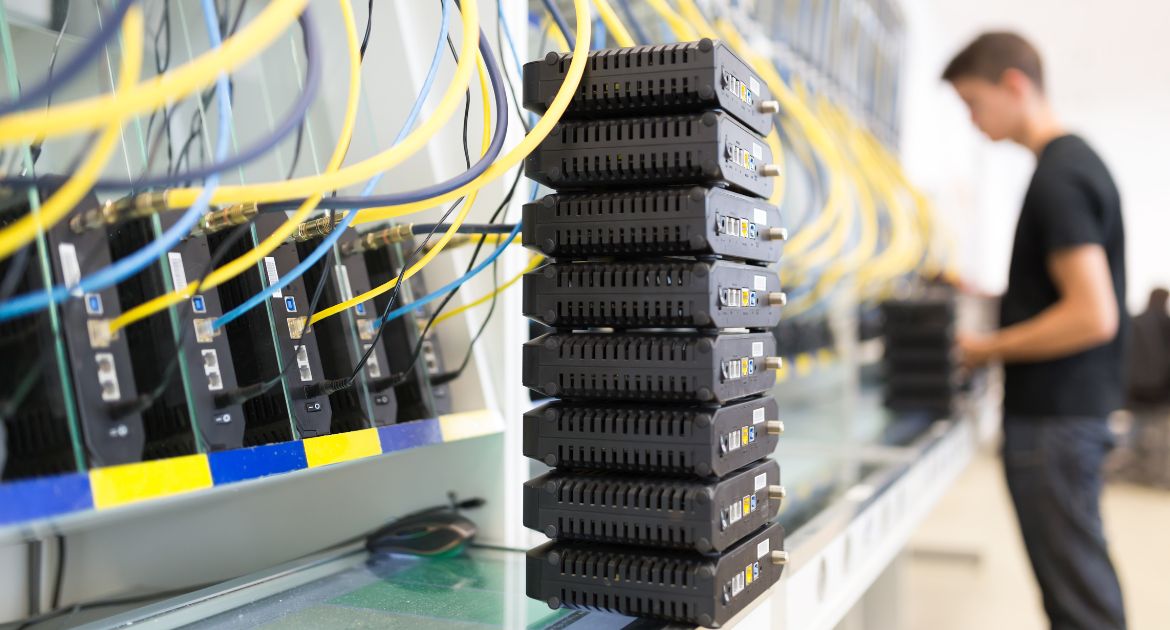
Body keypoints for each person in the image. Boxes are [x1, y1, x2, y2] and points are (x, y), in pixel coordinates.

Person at [943, 32, 1128, 629]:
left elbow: (1092, 313)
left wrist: (984, 349)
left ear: (1014, 85)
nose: (973, 121)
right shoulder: (1070, 166)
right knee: (1078, 595)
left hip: (1055, 424)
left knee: (1081, 607)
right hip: (1066, 421)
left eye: (974, 103)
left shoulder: (1059, 177)